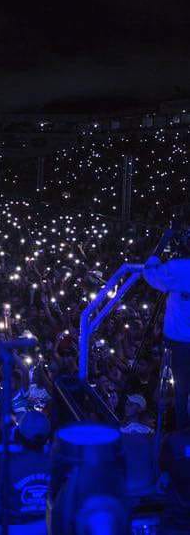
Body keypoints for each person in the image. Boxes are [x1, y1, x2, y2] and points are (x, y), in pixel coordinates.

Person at [143, 224, 190, 430]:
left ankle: (182, 431)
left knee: (181, 389)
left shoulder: (177, 267)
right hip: (178, 338)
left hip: (178, 339)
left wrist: (162, 242)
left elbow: (150, 273)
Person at [0, 410, 50, 532]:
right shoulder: (57, 463)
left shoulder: (5, 462)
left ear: (18, 435)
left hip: (14, 527)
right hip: (46, 526)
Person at [160, 396, 190, 534]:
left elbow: (163, 481)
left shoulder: (173, 441)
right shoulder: (173, 441)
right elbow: (164, 480)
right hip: (178, 521)